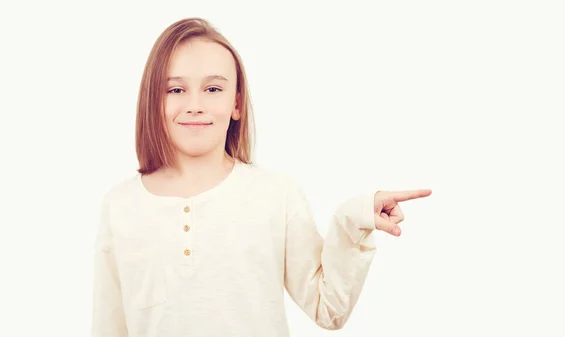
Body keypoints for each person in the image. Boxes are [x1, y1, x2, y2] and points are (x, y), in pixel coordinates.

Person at [91, 17, 431, 337]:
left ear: (236, 104)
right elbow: (109, 325)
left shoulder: (274, 195)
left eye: (213, 89)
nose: (194, 104)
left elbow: (329, 308)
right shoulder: (120, 205)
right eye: (176, 90)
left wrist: (354, 220)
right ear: (154, 100)